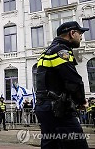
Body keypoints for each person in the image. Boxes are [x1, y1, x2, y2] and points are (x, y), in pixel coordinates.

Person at [35, 21, 89, 149]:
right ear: (72, 33)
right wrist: (81, 101)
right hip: (58, 109)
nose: (81, 37)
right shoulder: (61, 51)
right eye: (80, 33)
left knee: (51, 144)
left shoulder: (47, 51)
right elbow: (72, 80)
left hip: (44, 107)